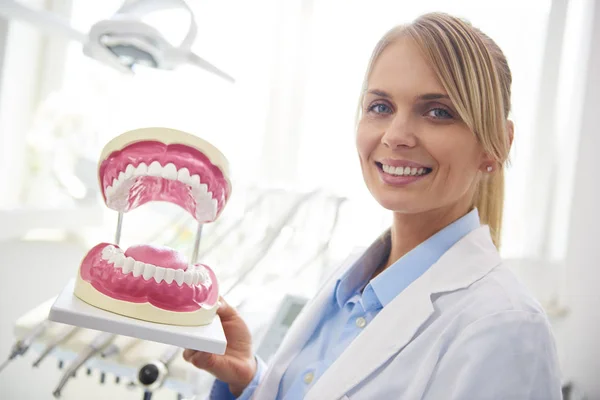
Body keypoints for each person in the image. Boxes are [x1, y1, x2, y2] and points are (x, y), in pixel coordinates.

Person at [183, 12, 562, 400]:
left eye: (438, 112)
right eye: (381, 106)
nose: (396, 136)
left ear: (496, 145)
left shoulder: (505, 328)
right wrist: (249, 382)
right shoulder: (349, 280)